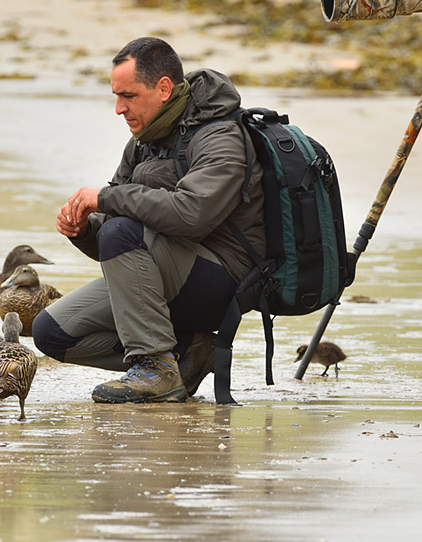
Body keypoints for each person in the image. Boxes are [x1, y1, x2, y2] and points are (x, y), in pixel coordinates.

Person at [32, 37, 264, 403]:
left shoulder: (221, 136)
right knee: (50, 332)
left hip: (224, 281)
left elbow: (192, 215)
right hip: (167, 275)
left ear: (164, 88)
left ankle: (155, 366)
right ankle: (189, 353)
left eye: (128, 96)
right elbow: (112, 240)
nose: (119, 108)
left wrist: (106, 199)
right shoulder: (145, 140)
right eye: (115, 96)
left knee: (122, 229)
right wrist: (83, 230)